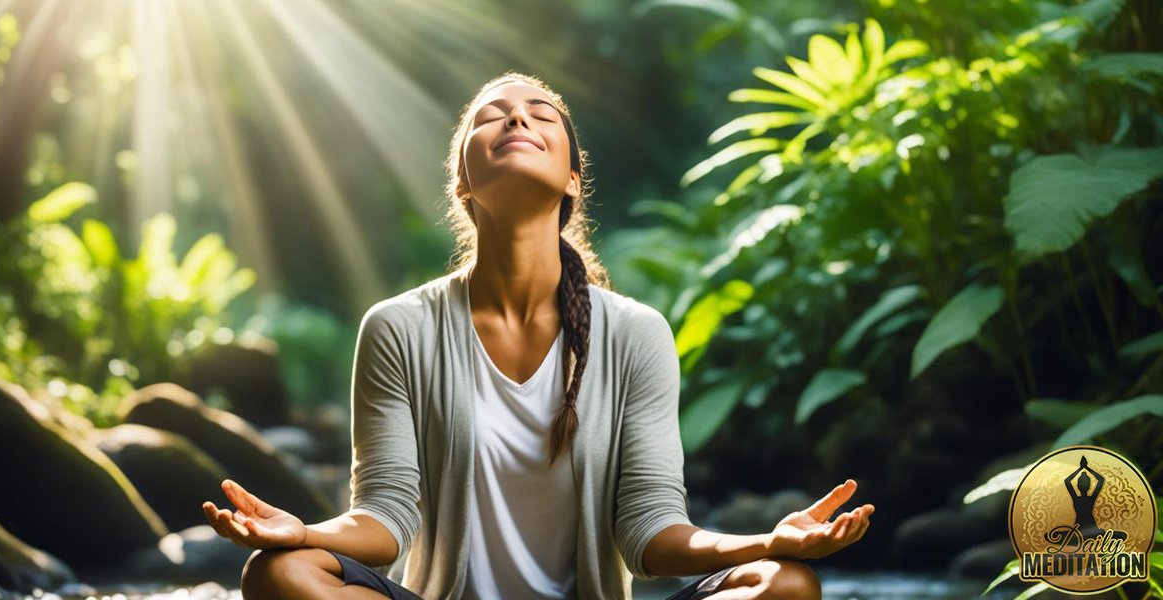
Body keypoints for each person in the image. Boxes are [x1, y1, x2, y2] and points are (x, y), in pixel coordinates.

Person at [201, 71, 875, 600]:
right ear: (463, 184)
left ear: (572, 182)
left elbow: (650, 533)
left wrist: (767, 542)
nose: (517, 116)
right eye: (491, 114)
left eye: (540, 114)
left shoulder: (635, 333)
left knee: (787, 585)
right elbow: (384, 518)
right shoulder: (399, 327)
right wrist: (302, 532)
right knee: (278, 575)